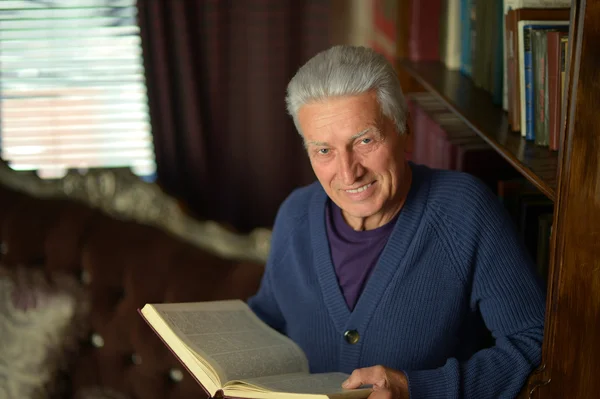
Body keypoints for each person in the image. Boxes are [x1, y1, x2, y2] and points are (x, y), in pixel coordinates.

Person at [247, 45, 545, 399]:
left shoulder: (465, 211)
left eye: (365, 140)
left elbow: (534, 341)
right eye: (324, 150)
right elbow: (267, 319)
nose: (348, 172)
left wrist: (417, 389)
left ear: (405, 131)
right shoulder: (294, 213)